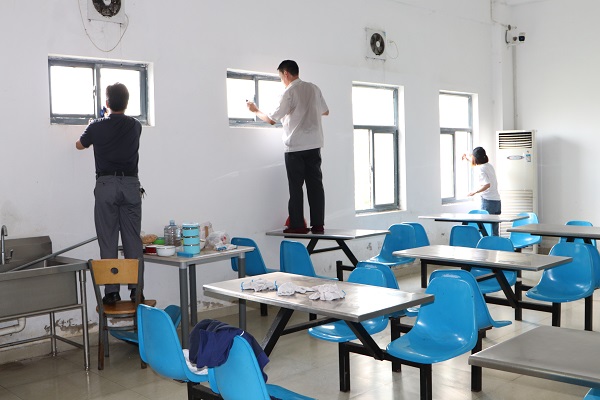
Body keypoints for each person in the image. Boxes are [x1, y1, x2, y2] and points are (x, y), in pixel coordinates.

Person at [76, 82, 144, 305]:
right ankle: (136, 290)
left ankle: (112, 292)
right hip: (131, 184)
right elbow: (120, 128)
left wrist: (95, 122)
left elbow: (79, 145)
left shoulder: (96, 126)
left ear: (106, 102)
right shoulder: (135, 126)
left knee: (108, 239)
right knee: (133, 239)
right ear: (127, 103)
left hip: (106, 185)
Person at [246, 60, 329, 234]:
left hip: (295, 147)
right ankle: (318, 225)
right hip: (314, 145)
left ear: (286, 74)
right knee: (315, 186)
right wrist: (308, 112)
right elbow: (325, 111)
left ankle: (297, 225)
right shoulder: (314, 88)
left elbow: (271, 119)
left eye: (280, 77)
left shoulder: (289, 92)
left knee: (296, 187)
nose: (281, 81)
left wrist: (255, 110)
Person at [462, 146, 502, 236]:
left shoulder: (480, 169)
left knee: (486, 230)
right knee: (494, 230)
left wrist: (475, 192)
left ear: (475, 158)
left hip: (488, 202)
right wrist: (467, 158)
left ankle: (488, 245)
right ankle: (495, 244)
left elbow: (487, 184)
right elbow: (477, 163)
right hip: (497, 201)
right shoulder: (489, 166)